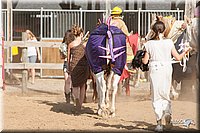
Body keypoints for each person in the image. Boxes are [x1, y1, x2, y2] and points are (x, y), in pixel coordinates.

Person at [142, 20, 191, 132]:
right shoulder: (169, 42)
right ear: (164, 30)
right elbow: (178, 58)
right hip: (167, 68)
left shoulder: (148, 44)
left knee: (156, 95)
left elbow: (145, 62)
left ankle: (159, 123)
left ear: (153, 30)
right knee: (165, 93)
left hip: (154, 69)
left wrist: (140, 57)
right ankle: (168, 113)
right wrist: (186, 51)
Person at [68, 25, 89, 115]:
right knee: (82, 86)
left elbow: (68, 58)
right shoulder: (85, 44)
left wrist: (69, 68)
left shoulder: (71, 44)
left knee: (75, 85)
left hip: (74, 66)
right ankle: (80, 105)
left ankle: (76, 101)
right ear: (81, 34)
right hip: (84, 66)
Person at [60, 30, 75, 103]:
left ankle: (68, 98)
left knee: (67, 81)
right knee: (71, 81)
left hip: (66, 63)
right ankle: (71, 96)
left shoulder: (63, 45)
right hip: (72, 63)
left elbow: (61, 57)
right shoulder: (74, 44)